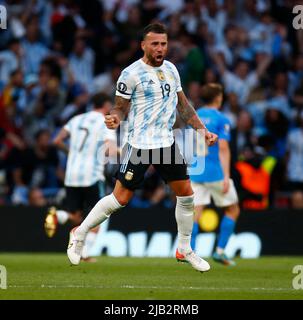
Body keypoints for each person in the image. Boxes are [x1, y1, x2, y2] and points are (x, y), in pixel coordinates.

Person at [67, 23, 218, 272]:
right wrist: (114, 118)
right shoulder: (130, 74)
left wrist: (203, 131)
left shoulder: (171, 69)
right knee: (120, 199)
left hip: (166, 143)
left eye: (164, 43)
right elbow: (119, 107)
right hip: (140, 144)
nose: (160, 48)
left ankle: (184, 248)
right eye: (155, 44)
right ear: (144, 45)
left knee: (187, 195)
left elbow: (184, 106)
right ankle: (80, 232)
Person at [44, 93, 119, 261]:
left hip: (72, 174)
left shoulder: (76, 119)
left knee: (76, 215)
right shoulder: (106, 122)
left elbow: (56, 141)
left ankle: (59, 215)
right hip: (92, 175)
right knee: (99, 215)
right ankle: (85, 254)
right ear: (106, 106)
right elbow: (110, 150)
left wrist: (71, 153)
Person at [189, 83, 240, 266]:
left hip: (195, 170)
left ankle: (191, 251)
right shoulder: (221, 119)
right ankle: (220, 251)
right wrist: (226, 176)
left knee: (195, 212)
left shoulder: (193, 116)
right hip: (215, 173)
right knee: (233, 209)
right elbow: (223, 148)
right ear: (218, 97)